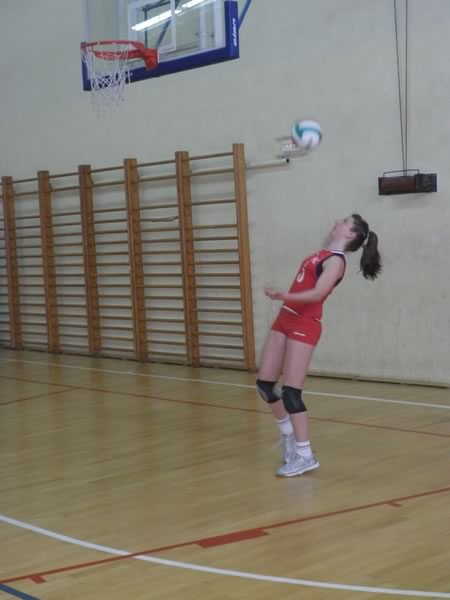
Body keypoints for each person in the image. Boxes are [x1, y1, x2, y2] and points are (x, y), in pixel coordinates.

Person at [256, 214, 382, 477]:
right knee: (265, 385)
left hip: (304, 324)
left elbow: (317, 294)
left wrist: (283, 295)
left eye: (344, 221)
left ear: (350, 234)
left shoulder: (336, 261)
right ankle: (288, 434)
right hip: (284, 319)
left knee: (291, 393)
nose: (337, 221)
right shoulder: (323, 253)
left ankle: (305, 456)